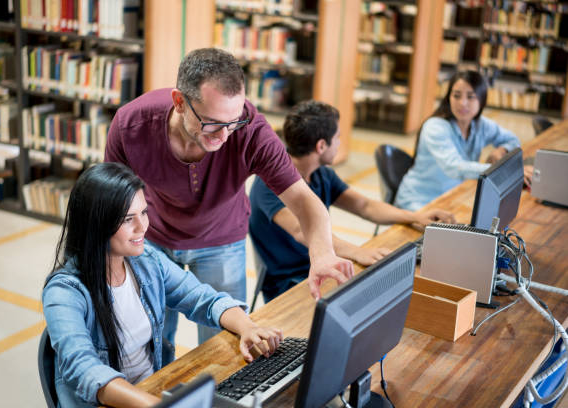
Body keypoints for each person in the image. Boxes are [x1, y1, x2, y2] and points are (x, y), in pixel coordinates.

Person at [105, 48, 352, 347]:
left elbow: (304, 201)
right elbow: (112, 199)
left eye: (232, 121)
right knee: (154, 339)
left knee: (225, 343)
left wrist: (322, 253)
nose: (223, 136)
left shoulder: (250, 131)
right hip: (154, 238)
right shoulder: (131, 125)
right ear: (179, 102)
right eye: (211, 123)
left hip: (221, 240)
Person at [42, 163, 283, 408]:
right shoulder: (64, 292)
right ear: (96, 224)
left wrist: (247, 327)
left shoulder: (146, 260)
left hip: (153, 391)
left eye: (144, 213)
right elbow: (85, 370)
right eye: (128, 219)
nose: (142, 227)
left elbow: (202, 298)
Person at [249, 100, 455, 302]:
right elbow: (304, 230)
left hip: (325, 263)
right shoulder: (269, 184)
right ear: (321, 146)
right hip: (290, 284)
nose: (339, 143)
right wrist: (357, 252)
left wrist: (415, 216)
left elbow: (365, 206)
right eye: (337, 137)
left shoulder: (321, 174)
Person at [395, 70, 530, 211]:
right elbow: (454, 167)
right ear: (449, 97)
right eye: (456, 96)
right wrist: (502, 170)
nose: (462, 103)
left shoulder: (481, 125)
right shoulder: (435, 127)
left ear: (482, 100)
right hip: (419, 201)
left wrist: (502, 150)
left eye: (471, 97)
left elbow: (512, 139)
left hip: (452, 197)